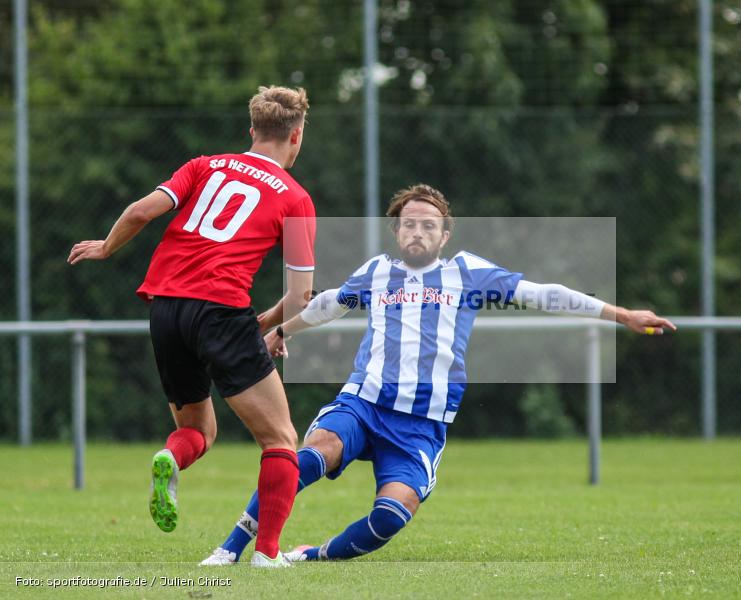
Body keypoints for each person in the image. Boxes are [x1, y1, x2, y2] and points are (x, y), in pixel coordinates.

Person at [199, 183, 675, 565]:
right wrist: (281, 328)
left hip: (420, 426)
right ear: (396, 232)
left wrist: (622, 314)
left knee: (390, 517)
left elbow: (544, 293)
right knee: (311, 455)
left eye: (429, 226)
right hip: (363, 404)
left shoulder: (468, 274)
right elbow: (328, 304)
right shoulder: (377, 272)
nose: (418, 233)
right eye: (409, 225)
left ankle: (309, 557)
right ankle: (230, 549)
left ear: (445, 235)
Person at [67, 86, 317, 568]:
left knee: (198, 430)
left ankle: (171, 459)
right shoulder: (296, 197)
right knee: (281, 439)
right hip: (222, 311)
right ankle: (267, 554)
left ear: (251, 131)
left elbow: (141, 211)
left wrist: (105, 248)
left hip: (165, 308)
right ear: (296, 136)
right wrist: (261, 325)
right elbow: (300, 295)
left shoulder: (205, 166)